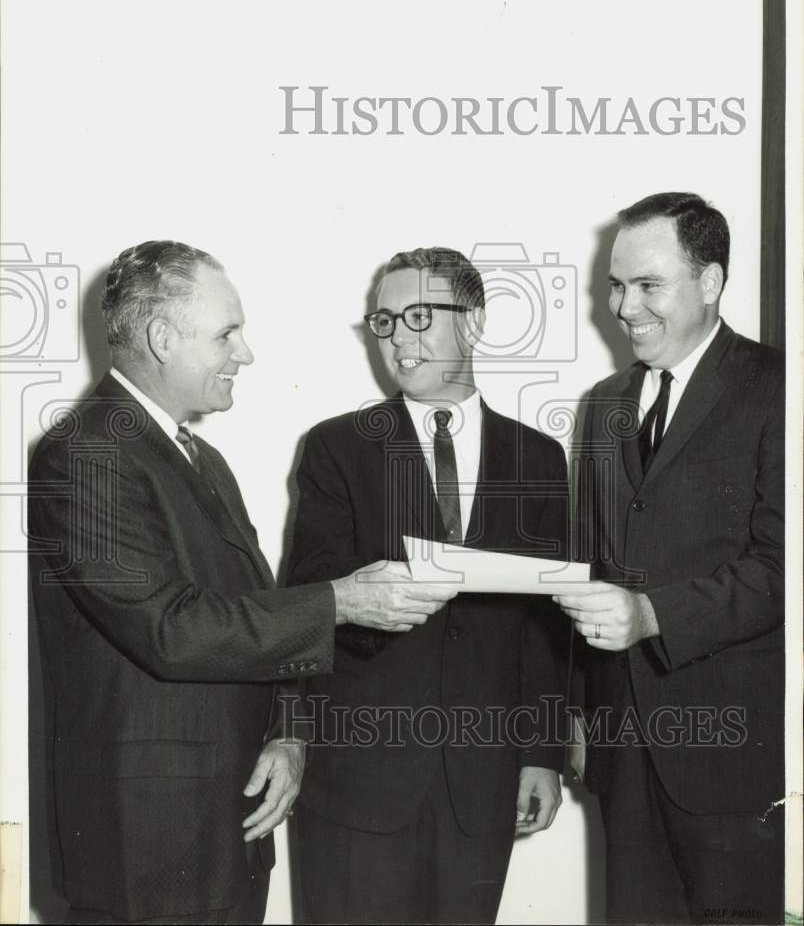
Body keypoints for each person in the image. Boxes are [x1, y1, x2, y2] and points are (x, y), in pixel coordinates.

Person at [27, 240, 457, 925]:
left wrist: (288, 734)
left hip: (228, 829)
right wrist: (340, 601)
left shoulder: (201, 459)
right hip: (149, 847)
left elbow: (253, 610)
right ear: (163, 339)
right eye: (227, 332)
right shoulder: (86, 454)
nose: (246, 353)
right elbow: (172, 628)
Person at [286, 246, 570, 924]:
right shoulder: (336, 448)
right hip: (359, 780)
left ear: (472, 322)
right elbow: (304, 604)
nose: (398, 341)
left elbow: (548, 621)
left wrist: (542, 753)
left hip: (483, 779)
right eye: (383, 322)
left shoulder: (539, 456)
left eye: (419, 316)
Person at [557, 193, 784, 924]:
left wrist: (651, 614)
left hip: (737, 760)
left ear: (711, 282)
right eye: (617, 286)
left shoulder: (782, 389)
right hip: (623, 759)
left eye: (647, 285)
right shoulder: (601, 404)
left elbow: (787, 569)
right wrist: (576, 715)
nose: (625, 307)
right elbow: (585, 566)